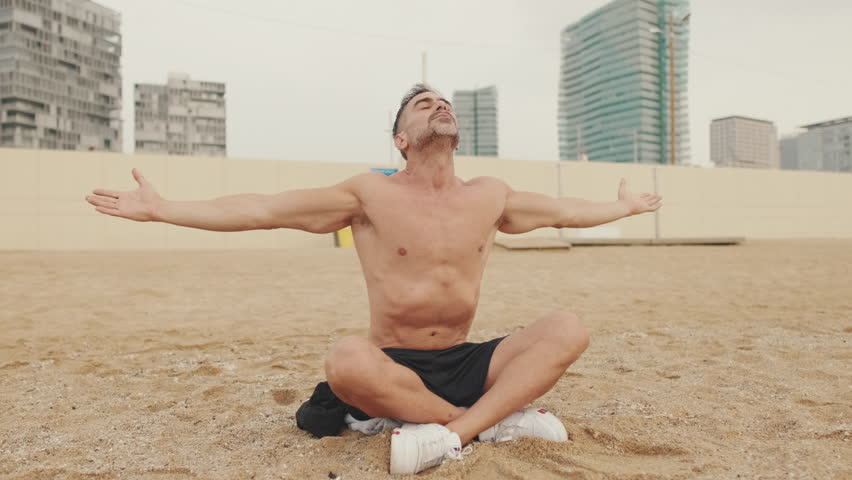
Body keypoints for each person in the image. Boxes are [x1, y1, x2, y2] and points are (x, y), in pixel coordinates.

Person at [85, 84, 662, 475]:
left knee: (568, 327)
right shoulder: (370, 193)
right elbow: (263, 207)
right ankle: (483, 425)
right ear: (401, 139)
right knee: (345, 359)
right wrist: (164, 209)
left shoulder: (491, 195)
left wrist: (627, 208)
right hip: (393, 364)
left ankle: (451, 431)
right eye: (421, 104)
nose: (437, 105)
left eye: (442, 101)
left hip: (465, 360)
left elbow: (566, 210)